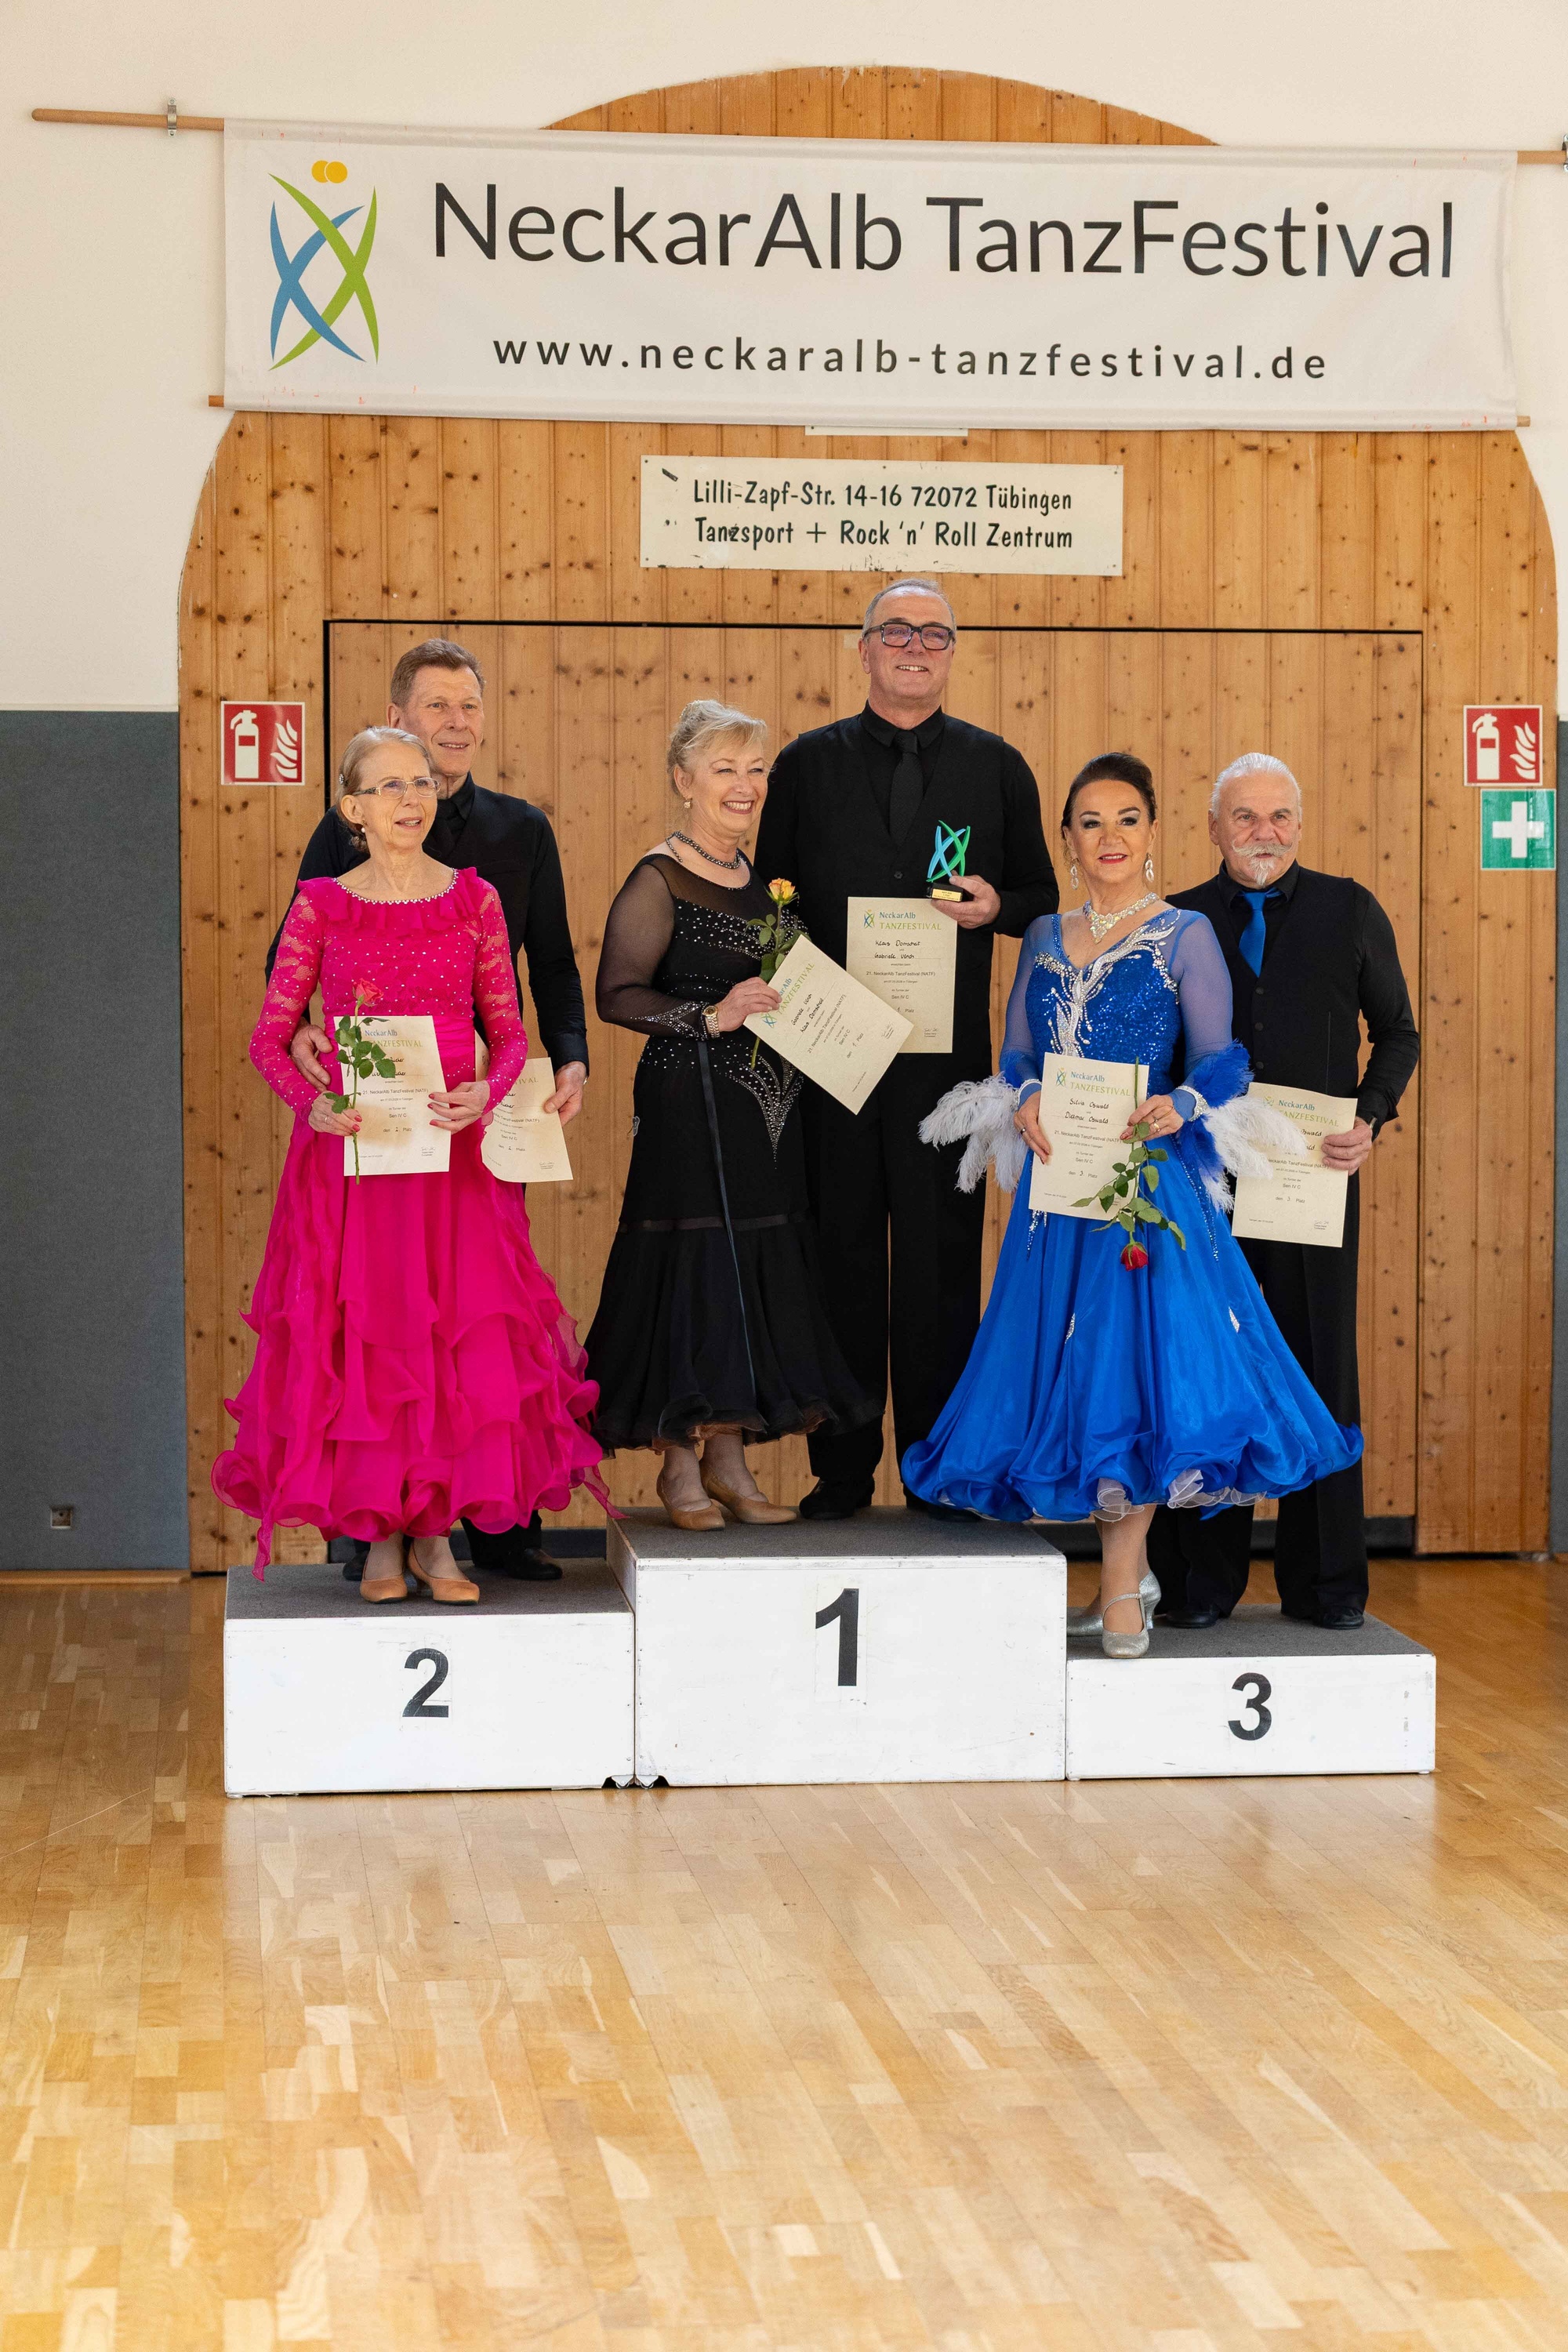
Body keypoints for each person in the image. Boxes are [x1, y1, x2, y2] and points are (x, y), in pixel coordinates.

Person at [901, 753, 1363, 1658]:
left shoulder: (1184, 932)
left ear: (1151, 833)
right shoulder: (1038, 933)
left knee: (1127, 1376)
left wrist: (1184, 1102)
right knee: (1067, 1376)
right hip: (1053, 1190)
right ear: (1067, 839)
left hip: (1143, 1189)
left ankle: (1121, 1584)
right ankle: (1128, 1575)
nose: (1107, 839)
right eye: (1088, 822)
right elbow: (1016, 1052)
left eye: (1124, 820)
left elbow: (1222, 1058)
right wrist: (1024, 1095)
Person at [216, 727, 603, 1599]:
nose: (408, 799)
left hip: (452, 1164)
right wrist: (307, 1100)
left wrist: (486, 1090)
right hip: (352, 1162)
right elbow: (270, 1039)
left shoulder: (476, 901)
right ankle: (380, 1539)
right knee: (371, 1341)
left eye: (419, 782)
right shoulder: (321, 904)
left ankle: (436, 1538)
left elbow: (507, 1033)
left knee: (451, 1339)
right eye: (386, 786)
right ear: (352, 809)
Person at [755, 579, 1058, 1519]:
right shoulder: (805, 765)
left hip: (945, 1076)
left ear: (952, 652)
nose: (914, 647)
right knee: (839, 1257)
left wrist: (994, 908)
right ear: (863, 649)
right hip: (834, 1063)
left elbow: (1040, 900)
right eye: (896, 632)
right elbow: (771, 906)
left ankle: (936, 1468)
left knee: (936, 1270)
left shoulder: (996, 765)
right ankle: (840, 1472)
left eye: (933, 634)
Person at [585, 701, 876, 1528]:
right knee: (693, 1270)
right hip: (689, 1099)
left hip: (767, 1110)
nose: (743, 786)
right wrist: (708, 1017)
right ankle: (678, 1467)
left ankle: (728, 1462)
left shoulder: (759, 879)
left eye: (754, 770)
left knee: (750, 1266)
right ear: (684, 781)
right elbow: (616, 993)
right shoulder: (657, 875)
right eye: (724, 769)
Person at [1148, 752, 1420, 1631]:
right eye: (1244, 817)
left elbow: (1398, 1032)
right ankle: (1197, 1585)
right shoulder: (1177, 918)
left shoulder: (1349, 909)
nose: (1262, 833)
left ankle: (1326, 1586)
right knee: (1208, 1370)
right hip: (1202, 1183)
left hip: (1310, 1180)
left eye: (1278, 817)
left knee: (1315, 1372)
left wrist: (1370, 1117)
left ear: (1297, 824)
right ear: (1213, 828)